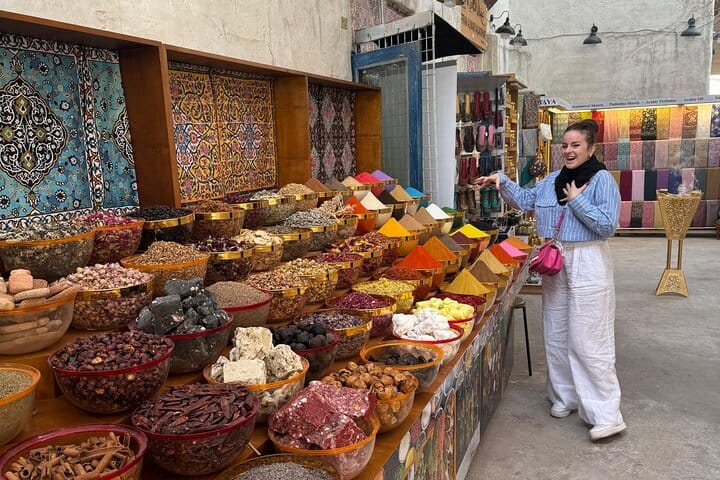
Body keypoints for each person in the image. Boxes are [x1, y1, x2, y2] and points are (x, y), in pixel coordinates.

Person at [473, 119, 625, 441]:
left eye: (576, 145)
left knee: (589, 335)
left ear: (591, 149)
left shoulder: (602, 180)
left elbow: (607, 226)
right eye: (565, 145)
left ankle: (605, 413)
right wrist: (502, 181)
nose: (569, 151)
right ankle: (564, 396)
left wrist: (577, 201)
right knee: (555, 331)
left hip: (588, 258)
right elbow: (526, 200)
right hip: (556, 259)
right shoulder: (553, 179)